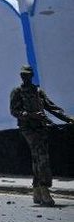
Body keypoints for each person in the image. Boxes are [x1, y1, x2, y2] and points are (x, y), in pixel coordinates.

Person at [10, 65, 73, 207]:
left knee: (37, 158)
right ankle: (44, 189)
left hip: (41, 128)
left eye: (27, 75)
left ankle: (37, 190)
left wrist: (67, 118)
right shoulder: (17, 92)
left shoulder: (38, 91)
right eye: (23, 75)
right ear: (21, 76)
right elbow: (14, 111)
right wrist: (30, 115)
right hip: (28, 129)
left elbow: (51, 106)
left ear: (31, 75)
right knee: (41, 156)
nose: (25, 77)